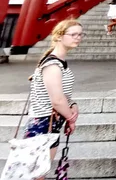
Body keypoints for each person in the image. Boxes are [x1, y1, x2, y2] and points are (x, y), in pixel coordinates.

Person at [23, 19, 82, 172]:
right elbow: (56, 100)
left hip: (52, 122)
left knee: (39, 171)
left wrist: (72, 105)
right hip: (43, 123)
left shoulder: (59, 62)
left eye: (80, 34)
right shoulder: (53, 65)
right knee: (36, 172)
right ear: (59, 36)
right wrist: (71, 119)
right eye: (73, 34)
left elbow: (62, 94)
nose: (78, 37)